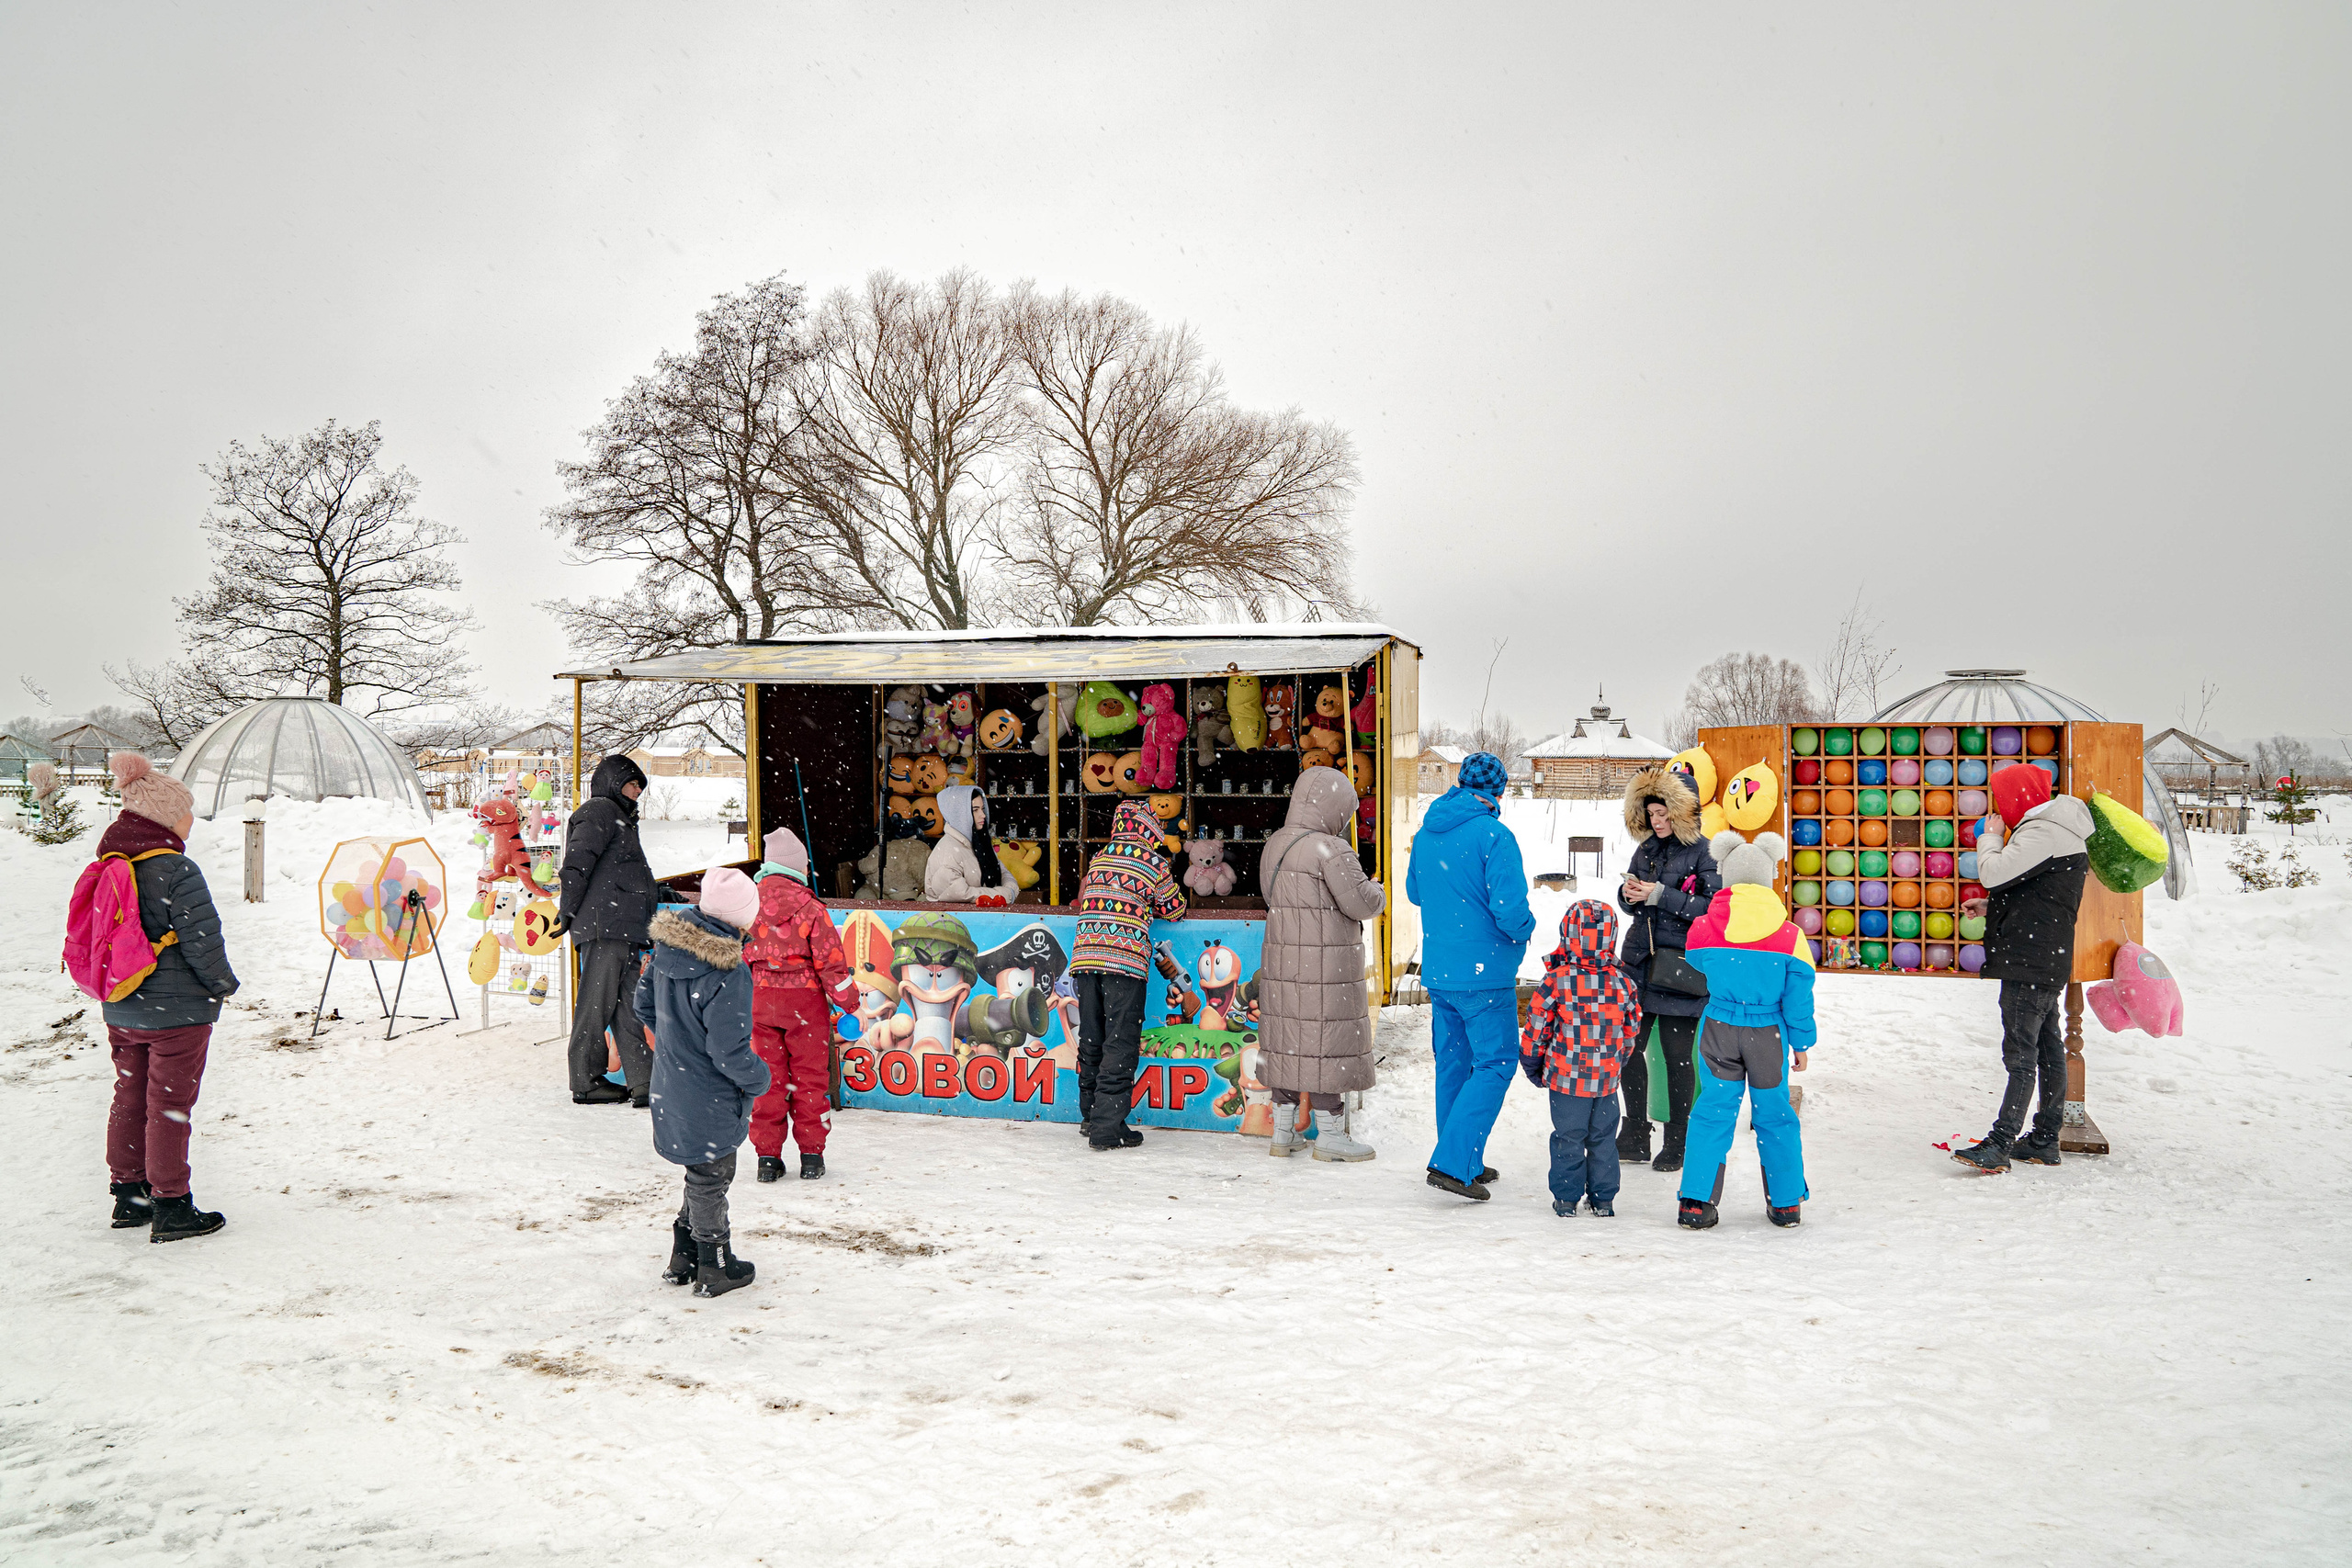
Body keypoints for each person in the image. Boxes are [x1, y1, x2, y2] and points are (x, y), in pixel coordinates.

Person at [93, 753, 240, 1243]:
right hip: (176, 1012)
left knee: (130, 1097)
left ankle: (129, 1198)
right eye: (186, 811)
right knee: (169, 1105)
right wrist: (222, 984)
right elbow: (203, 940)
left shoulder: (112, 864)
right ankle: (172, 1205)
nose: (191, 820)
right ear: (165, 817)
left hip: (123, 1003)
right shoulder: (175, 868)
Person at [1405, 750, 1535, 1201]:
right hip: (1484, 975)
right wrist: (1524, 933)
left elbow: (1414, 892)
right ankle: (1452, 1162)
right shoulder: (1494, 835)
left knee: (1455, 1066)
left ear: (1460, 782)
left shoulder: (1427, 832)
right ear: (1497, 791)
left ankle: (1464, 1157)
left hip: (1441, 971)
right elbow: (1511, 910)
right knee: (1497, 1063)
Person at [636, 865, 770, 1299]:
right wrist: (759, 1078)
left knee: (700, 1168)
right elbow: (728, 1053)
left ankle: (684, 1254)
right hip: (707, 1092)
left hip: (672, 1083)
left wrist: (678, 1040)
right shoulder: (728, 971)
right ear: (741, 918)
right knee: (712, 1174)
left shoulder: (668, 949)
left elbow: (644, 1006)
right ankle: (714, 1265)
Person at [1951, 765, 2092, 1173]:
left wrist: (1989, 838)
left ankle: (2000, 1143)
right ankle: (2044, 1139)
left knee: (2021, 1053)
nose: (1999, 809)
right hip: (2043, 956)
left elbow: (1993, 872)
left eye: (2001, 799)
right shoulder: (2056, 829)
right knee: (2048, 1049)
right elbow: (2040, 895)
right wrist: (1992, 907)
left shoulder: (2043, 830)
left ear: (2018, 797)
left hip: (2029, 961)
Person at [1676, 831, 1815, 1230]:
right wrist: (1802, 1041)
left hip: (1718, 1026)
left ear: (1725, 875)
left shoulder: (1703, 928)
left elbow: (1696, 960)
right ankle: (1786, 1203)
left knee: (1711, 1112)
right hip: (1768, 1032)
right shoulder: (1790, 936)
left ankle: (1697, 1202)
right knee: (1775, 1115)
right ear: (1772, 876)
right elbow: (1798, 995)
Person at [1259, 765, 1387, 1163]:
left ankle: (1282, 1134)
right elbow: (1362, 903)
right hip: (1325, 964)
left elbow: (1271, 896)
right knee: (1324, 1044)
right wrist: (1378, 889)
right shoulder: (1330, 848)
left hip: (1283, 961)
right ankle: (1330, 1135)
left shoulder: (1275, 844)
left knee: (1287, 1043)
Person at [1615, 764, 1721, 1173]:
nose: (1657, 822)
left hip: (1680, 969)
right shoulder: (1645, 850)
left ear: (1683, 813)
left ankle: (1677, 1140)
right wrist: (1628, 895)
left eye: (1664, 814)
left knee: (1678, 1058)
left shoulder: (1706, 852)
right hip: (1639, 965)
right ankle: (1637, 1133)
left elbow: (1714, 909)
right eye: (1652, 814)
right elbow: (1633, 901)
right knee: (1628, 1050)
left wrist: (1663, 896)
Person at [1069, 798, 1187, 1151]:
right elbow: (1176, 909)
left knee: (1092, 1036)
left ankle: (1090, 1116)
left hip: (1087, 958)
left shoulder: (1099, 858)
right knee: (1120, 1042)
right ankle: (1108, 1127)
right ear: (1150, 827)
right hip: (1124, 962)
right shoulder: (1153, 862)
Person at [1520, 900, 1643, 1217]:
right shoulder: (1623, 983)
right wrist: (1618, 1061)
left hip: (1565, 1078)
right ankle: (1603, 1198)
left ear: (1567, 934)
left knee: (1568, 1137)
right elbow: (1631, 1032)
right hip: (1605, 1079)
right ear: (1612, 936)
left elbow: (1536, 1030)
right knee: (1603, 1138)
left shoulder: (1556, 981)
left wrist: (1533, 1065)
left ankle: (1566, 1198)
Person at [745, 830, 855, 1182]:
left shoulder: (747, 904)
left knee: (767, 1081)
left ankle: (767, 1158)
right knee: (810, 1079)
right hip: (805, 1006)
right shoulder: (813, 909)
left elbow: (736, 957)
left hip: (759, 1003)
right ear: (799, 868)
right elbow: (832, 965)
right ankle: (811, 1155)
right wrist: (850, 1002)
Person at [557, 754, 660, 1107]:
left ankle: (643, 1081)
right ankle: (585, 1081)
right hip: (605, 926)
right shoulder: (598, 810)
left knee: (630, 1005)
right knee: (596, 1004)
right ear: (614, 782)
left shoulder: (622, 820)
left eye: (639, 788)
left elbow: (629, 874)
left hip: (627, 928)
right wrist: (567, 910)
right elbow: (576, 863)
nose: (636, 793)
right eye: (632, 785)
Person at [923, 784, 1007, 903]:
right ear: (959, 814)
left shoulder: (979, 843)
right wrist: (1002, 894)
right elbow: (960, 893)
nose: (983, 815)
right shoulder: (948, 850)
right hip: (951, 919)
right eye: (975, 810)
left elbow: (1003, 873)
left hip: (979, 918)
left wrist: (1008, 891)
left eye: (983, 809)